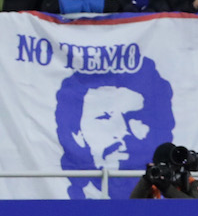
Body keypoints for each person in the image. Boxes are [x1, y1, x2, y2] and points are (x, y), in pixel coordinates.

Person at [55, 57, 175, 199]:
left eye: (135, 118)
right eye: (104, 118)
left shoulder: (174, 196)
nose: (123, 131)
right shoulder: (59, 209)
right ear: (77, 134)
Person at [129, 142, 198, 199]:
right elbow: (132, 206)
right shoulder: (153, 187)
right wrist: (146, 180)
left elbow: (196, 207)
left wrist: (167, 189)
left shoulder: (193, 184)